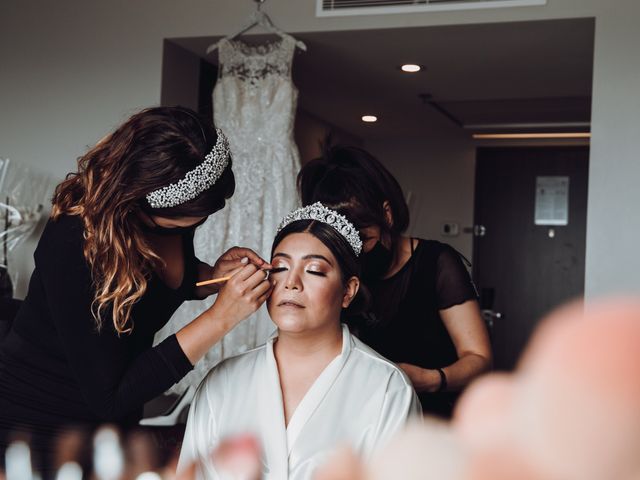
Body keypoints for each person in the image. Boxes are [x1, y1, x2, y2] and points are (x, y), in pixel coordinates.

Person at [0, 106, 272, 475]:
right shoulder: (76, 243)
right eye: (193, 216)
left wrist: (206, 277)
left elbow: (149, 287)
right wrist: (221, 318)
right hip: (42, 424)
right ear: (141, 202)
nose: (200, 222)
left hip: (118, 426)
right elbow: (108, 397)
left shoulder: (168, 218)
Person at [178, 203, 421, 480]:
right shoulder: (221, 383)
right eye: (280, 268)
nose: (291, 282)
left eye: (315, 270)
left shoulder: (388, 388)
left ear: (348, 291)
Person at [297, 145, 492, 417]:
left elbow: (479, 358)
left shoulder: (437, 262)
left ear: (386, 214)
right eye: (342, 244)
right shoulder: (338, 270)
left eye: (362, 240)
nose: (353, 253)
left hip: (429, 420)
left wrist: (431, 379)